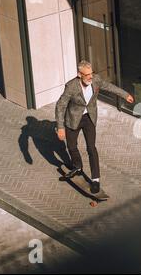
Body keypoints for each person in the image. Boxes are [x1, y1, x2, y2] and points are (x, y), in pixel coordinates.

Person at [55, 60, 134, 194]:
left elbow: (109, 87)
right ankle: (78, 166)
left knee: (91, 148)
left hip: (89, 118)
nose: (91, 77)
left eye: (91, 74)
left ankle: (95, 180)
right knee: (72, 146)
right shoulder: (71, 86)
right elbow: (61, 106)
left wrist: (125, 95)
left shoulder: (95, 80)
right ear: (80, 74)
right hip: (73, 119)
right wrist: (60, 127)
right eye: (87, 75)